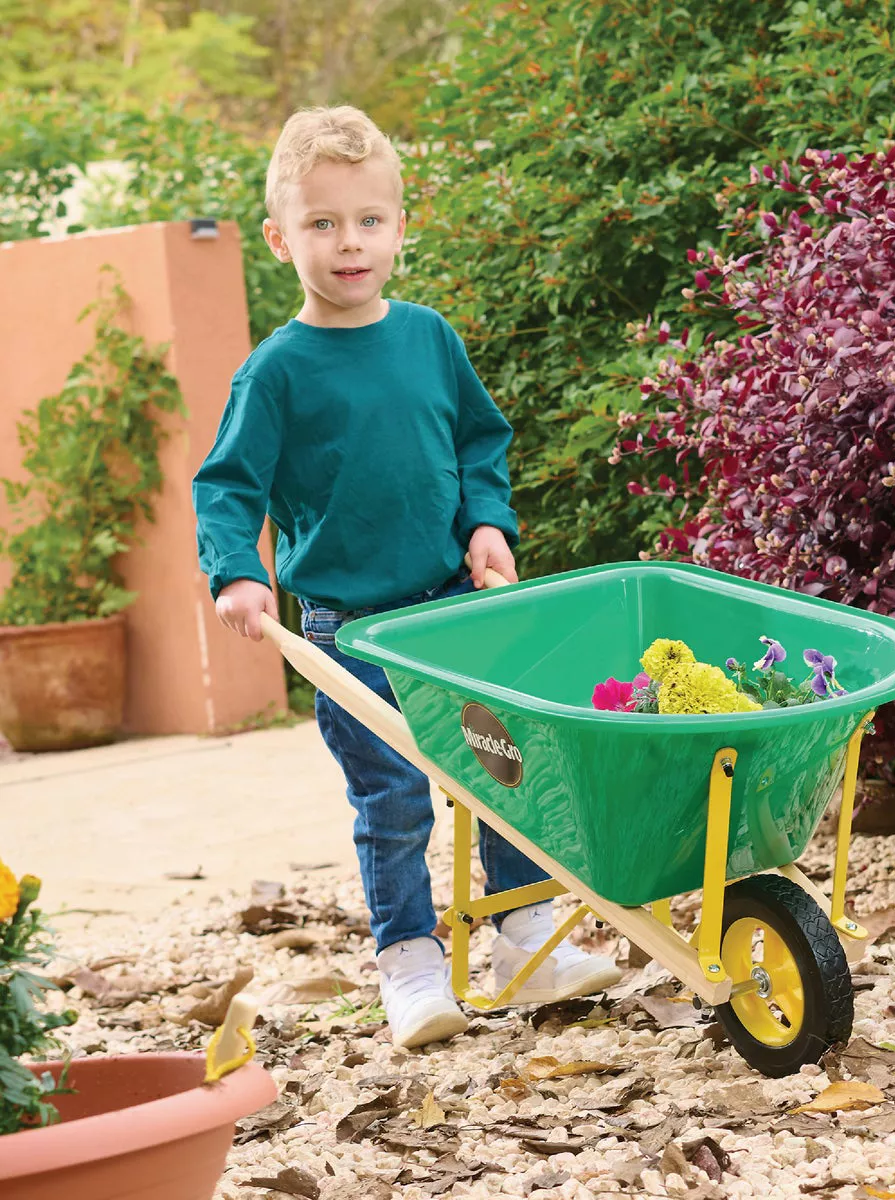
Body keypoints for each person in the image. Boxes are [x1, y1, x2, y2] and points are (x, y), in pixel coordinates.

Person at [192, 106, 620, 1048]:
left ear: (398, 226)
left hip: (454, 615)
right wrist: (236, 573)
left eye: (369, 221)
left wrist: (488, 526)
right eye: (322, 224)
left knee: (502, 767)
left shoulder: (428, 338)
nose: (350, 243)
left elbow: (479, 442)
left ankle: (524, 934)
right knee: (392, 799)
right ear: (279, 238)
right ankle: (411, 965)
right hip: (350, 631)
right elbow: (227, 486)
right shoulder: (276, 374)